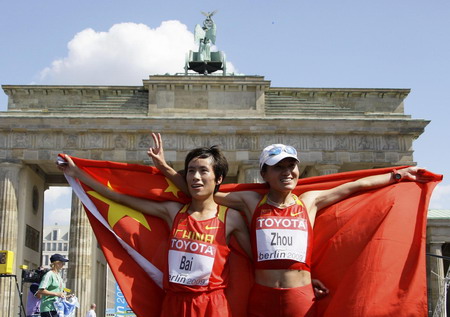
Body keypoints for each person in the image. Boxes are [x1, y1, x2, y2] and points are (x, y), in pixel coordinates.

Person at [150, 136, 432, 317]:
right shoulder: (251, 202)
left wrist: (397, 175)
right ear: (265, 173)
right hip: (261, 297)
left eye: (291, 166)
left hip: (301, 297)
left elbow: (354, 187)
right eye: (279, 167)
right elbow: (201, 191)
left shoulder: (309, 201)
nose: (287, 172)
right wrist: (165, 168)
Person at [58, 144, 251, 317]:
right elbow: (116, 197)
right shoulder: (173, 212)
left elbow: (255, 258)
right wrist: (77, 173)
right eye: (191, 171)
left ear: (218, 178)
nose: (196, 177)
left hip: (211, 305)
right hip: (174, 303)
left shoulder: (230, 217)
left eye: (203, 171)